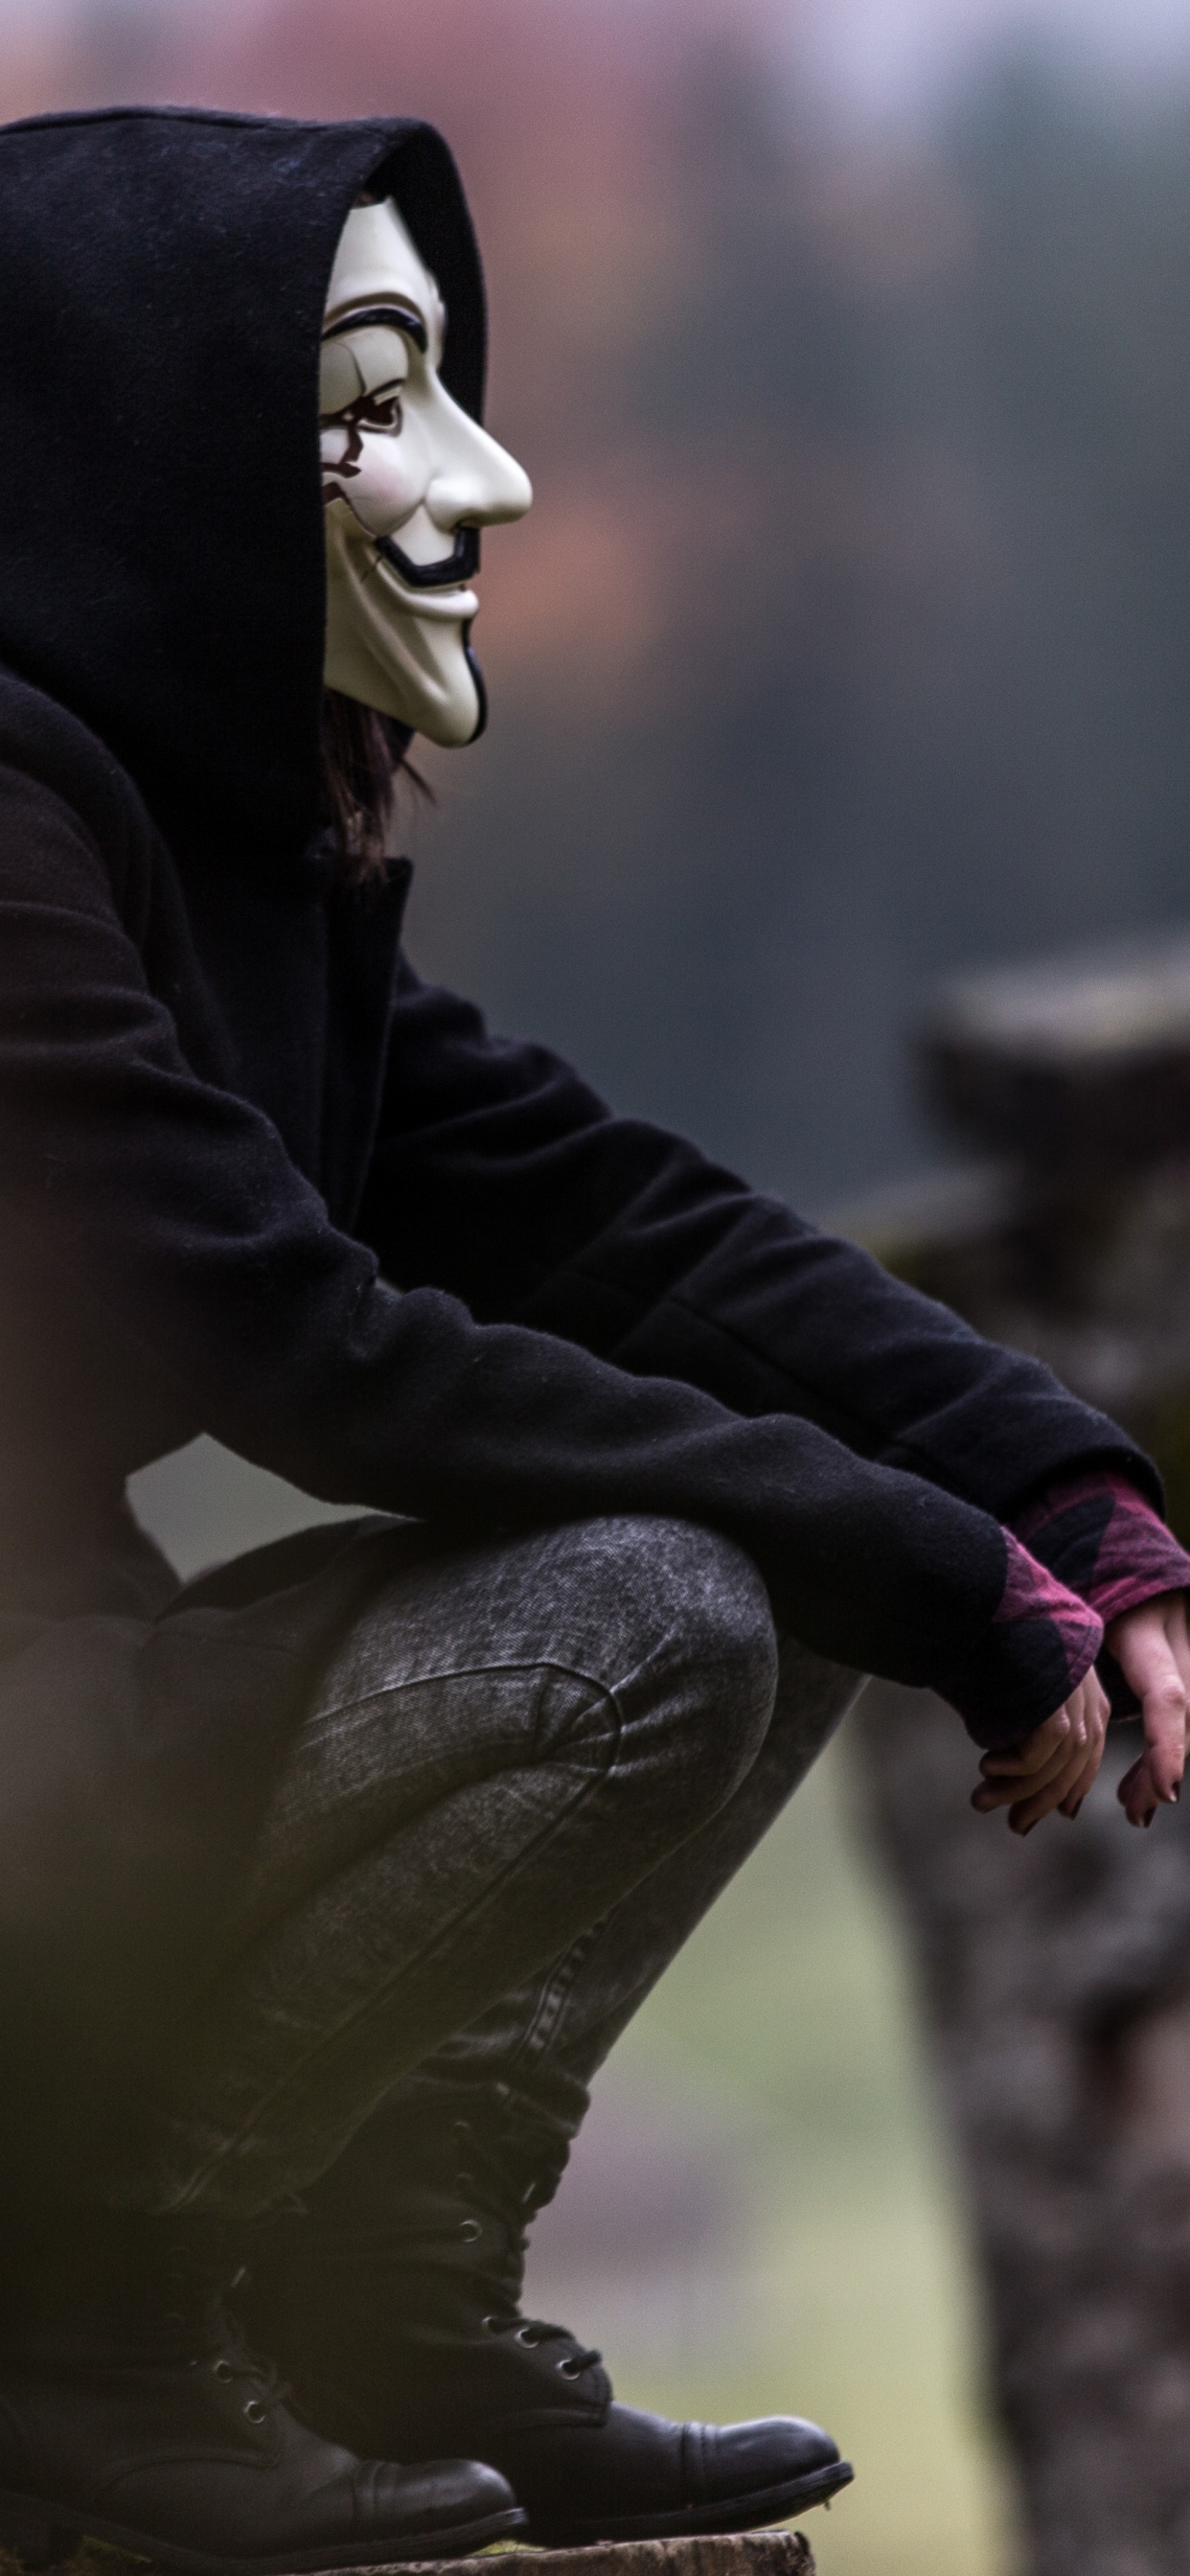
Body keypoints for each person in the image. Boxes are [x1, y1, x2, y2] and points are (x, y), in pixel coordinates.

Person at [0, 100, 1185, 2575]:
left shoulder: (187, 840)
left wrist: (1047, 1486)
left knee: (783, 1526)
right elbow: (305, 1351)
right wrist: (931, 1569)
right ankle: (86, 2330)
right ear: (142, 447)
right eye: (371, 409)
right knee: (670, 1599)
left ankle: (388, 2306)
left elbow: (598, 1209)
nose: (488, 476)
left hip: (67, 1746)